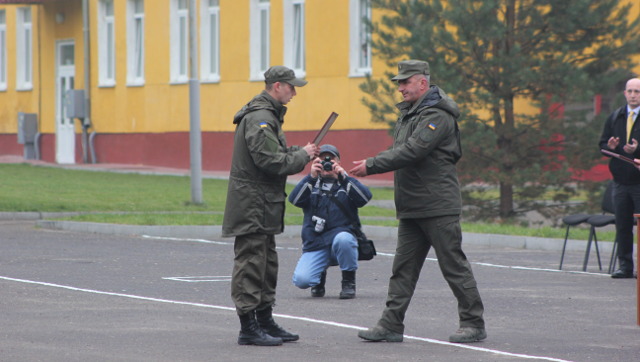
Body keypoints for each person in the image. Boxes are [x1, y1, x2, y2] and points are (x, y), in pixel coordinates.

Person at [350, 60, 486, 343]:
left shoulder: (436, 116)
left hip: (437, 205)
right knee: (403, 269)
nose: (400, 88)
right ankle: (390, 325)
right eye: (398, 83)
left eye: (404, 82)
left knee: (453, 266)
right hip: (413, 206)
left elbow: (414, 151)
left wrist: (371, 165)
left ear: (422, 83)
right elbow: (400, 149)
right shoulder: (411, 114)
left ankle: (473, 324)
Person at [222, 65, 318, 346]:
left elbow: (272, 154)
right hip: (253, 202)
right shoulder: (261, 118)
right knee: (251, 262)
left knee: (266, 263)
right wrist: (301, 156)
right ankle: (248, 327)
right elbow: (269, 161)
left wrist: (299, 152)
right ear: (277, 86)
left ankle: (264, 320)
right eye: (291, 87)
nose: (294, 93)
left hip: (261, 203)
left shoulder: (267, 116)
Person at [288, 144, 373, 299]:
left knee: (344, 239)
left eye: (331, 159)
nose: (327, 163)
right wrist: (311, 177)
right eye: (322, 159)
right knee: (302, 280)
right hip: (316, 243)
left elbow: (365, 198)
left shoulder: (346, 183)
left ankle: (348, 281)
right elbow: (294, 199)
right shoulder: (311, 183)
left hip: (340, 241)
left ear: (338, 162)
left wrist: (344, 177)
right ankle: (319, 277)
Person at [599, 77, 640, 279]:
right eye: (630, 91)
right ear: (624, 93)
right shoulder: (616, 116)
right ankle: (625, 266)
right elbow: (602, 146)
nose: (633, 95)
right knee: (623, 225)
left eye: (637, 92)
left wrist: (636, 149)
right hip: (620, 182)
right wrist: (610, 147)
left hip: (639, 182)